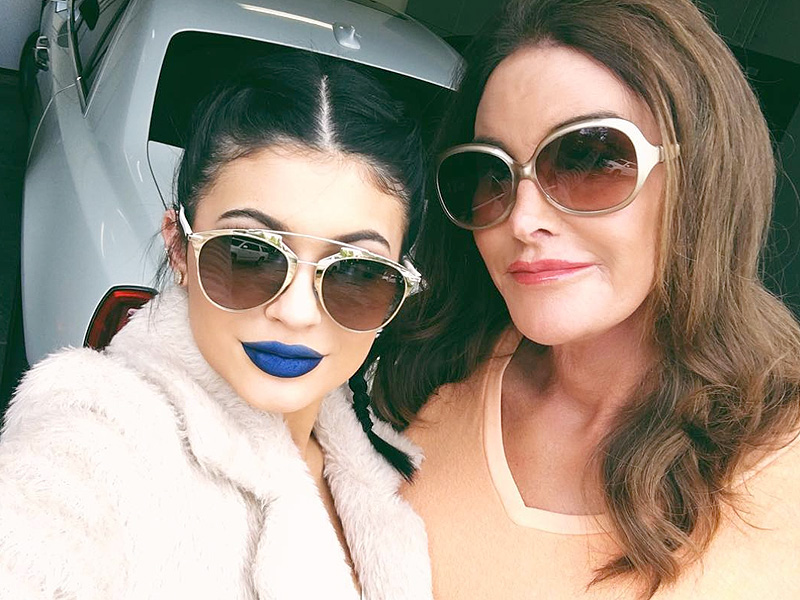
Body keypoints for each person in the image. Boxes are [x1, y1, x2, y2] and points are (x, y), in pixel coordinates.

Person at [369, 0, 800, 598]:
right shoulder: (425, 376)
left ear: (703, 175)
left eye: (591, 159)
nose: (522, 220)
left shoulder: (782, 464)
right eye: (491, 173)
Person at [0, 50, 434, 600]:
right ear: (179, 248)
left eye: (356, 273)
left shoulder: (386, 455)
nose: (297, 312)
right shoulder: (96, 439)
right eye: (249, 253)